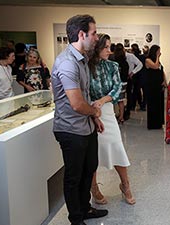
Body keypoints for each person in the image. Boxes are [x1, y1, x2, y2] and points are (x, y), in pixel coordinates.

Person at [51, 14, 108, 225]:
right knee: (74, 176)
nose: (96, 37)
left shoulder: (82, 59)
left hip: (85, 126)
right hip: (70, 130)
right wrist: (94, 113)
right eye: (94, 33)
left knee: (89, 167)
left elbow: (84, 95)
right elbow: (76, 103)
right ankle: (76, 218)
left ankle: (85, 209)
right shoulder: (67, 63)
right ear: (81, 34)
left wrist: (94, 120)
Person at [88, 33, 136, 206]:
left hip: (106, 112)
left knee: (117, 147)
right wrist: (92, 109)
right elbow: (82, 91)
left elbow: (117, 89)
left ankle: (125, 185)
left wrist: (103, 101)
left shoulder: (113, 66)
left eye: (110, 47)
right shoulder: (85, 67)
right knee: (92, 154)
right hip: (89, 113)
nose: (110, 51)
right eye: (106, 47)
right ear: (96, 48)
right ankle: (94, 189)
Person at [145, 44, 166, 129]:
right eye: (158, 51)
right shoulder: (147, 60)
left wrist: (164, 80)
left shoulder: (158, 61)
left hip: (159, 85)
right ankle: (153, 124)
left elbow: (161, 70)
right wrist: (158, 57)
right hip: (152, 86)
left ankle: (159, 122)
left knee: (159, 104)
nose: (160, 53)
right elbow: (155, 66)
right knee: (153, 104)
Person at [123, 44, 143, 120]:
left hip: (128, 77)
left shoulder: (130, 56)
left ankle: (128, 110)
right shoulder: (118, 56)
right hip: (122, 77)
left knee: (129, 94)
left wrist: (133, 72)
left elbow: (140, 64)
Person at [112, 43, 129, 123]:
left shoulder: (113, 61)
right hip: (123, 83)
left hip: (115, 83)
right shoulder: (125, 62)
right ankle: (121, 117)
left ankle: (113, 116)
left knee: (112, 100)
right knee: (121, 100)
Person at [130, 43, 146, 111]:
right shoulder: (143, 57)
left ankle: (133, 105)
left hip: (136, 76)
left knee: (136, 91)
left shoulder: (133, 57)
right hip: (143, 76)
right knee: (144, 92)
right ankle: (142, 105)